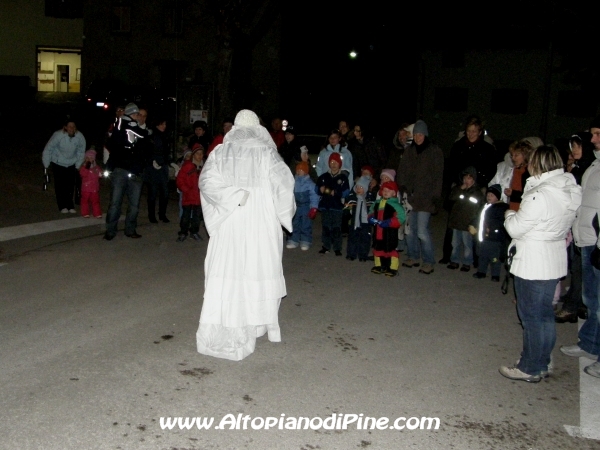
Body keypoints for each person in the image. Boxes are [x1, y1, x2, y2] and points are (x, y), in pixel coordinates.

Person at [196, 109, 295, 361]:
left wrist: (231, 197)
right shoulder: (268, 154)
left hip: (231, 219)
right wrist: (284, 214)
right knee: (256, 265)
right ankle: (255, 320)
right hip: (260, 220)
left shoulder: (220, 152)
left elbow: (206, 182)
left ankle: (232, 317)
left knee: (231, 267)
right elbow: (284, 185)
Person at [499, 145, 581, 382]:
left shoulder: (540, 194)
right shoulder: (568, 188)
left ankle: (530, 367)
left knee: (532, 317)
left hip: (534, 260)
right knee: (544, 316)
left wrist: (508, 215)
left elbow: (515, 227)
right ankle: (540, 360)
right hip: (553, 257)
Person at [561, 118, 600, 378]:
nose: (593, 139)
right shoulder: (594, 165)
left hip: (596, 241)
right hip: (587, 239)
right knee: (592, 299)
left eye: (597, 134)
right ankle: (590, 343)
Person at [555, 132, 595, 323]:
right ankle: (575, 300)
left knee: (580, 270)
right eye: (572, 147)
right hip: (577, 225)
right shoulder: (581, 167)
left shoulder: (588, 169)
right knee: (576, 267)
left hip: (587, 228)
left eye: (577, 146)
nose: (574, 151)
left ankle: (572, 306)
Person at [397, 120, 443, 275]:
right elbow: (402, 171)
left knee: (422, 231)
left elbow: (438, 176)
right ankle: (413, 256)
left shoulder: (434, 151)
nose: (418, 137)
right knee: (410, 230)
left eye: (420, 134)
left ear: (426, 135)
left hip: (426, 197)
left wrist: (436, 197)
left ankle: (429, 261)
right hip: (410, 197)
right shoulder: (409, 151)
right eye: (415, 134)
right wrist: (402, 186)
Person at [103, 102, 148, 240]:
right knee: (115, 203)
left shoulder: (137, 128)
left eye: (140, 115)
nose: (137, 116)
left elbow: (145, 140)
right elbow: (113, 142)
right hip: (120, 170)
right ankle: (110, 230)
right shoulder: (120, 125)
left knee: (134, 205)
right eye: (135, 114)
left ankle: (130, 229)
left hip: (135, 172)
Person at [42, 119, 86, 213]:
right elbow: (49, 148)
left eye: (73, 127)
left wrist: (78, 165)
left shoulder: (79, 137)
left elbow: (81, 151)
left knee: (70, 185)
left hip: (71, 163)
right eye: (69, 126)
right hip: (58, 162)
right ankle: (62, 205)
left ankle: (70, 205)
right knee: (60, 185)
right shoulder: (58, 135)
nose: (71, 129)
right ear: (65, 127)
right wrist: (46, 163)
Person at [446, 166, 485, 272]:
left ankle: (467, 262)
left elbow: (479, 208)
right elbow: (451, 198)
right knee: (455, 243)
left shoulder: (477, 192)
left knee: (467, 244)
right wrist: (460, 189)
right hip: (456, 221)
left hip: (468, 223)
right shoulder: (459, 189)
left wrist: (474, 222)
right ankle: (454, 260)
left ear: (473, 179)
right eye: (464, 178)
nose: (466, 180)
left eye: (468, 178)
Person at [470, 184, 508, 281]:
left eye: (492, 195)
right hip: (483, 237)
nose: (489, 197)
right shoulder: (485, 206)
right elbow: (479, 217)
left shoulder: (501, 208)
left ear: (497, 197)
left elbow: (501, 221)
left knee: (495, 257)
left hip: (495, 238)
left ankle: (495, 275)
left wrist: (492, 227)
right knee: (483, 255)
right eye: (488, 195)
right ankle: (481, 271)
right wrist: (473, 224)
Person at [368, 181, 405, 276]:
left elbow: (401, 217)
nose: (385, 192)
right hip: (378, 231)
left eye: (389, 190)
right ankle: (379, 265)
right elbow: (371, 211)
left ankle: (392, 267)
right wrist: (370, 217)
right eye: (384, 190)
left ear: (394, 193)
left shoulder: (396, 206)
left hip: (390, 232)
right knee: (378, 247)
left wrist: (390, 222)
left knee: (390, 249)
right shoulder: (377, 203)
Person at [316, 152, 350, 256]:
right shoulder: (324, 176)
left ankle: (337, 247)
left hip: (337, 207)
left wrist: (335, 192)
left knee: (336, 228)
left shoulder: (343, 178)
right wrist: (320, 189)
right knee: (326, 226)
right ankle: (326, 246)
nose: (333, 164)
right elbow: (317, 188)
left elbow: (346, 192)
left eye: (336, 162)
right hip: (326, 205)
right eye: (331, 162)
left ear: (339, 164)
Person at [286, 161, 319, 251]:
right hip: (296, 206)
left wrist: (314, 207)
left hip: (306, 206)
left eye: (301, 170)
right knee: (295, 223)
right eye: (298, 170)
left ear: (305, 171)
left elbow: (314, 195)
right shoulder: (293, 182)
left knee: (306, 223)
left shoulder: (310, 184)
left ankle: (305, 240)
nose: (299, 171)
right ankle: (294, 239)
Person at [145, 118, 171, 224]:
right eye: (161, 124)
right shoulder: (151, 136)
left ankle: (162, 214)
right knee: (153, 193)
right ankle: (152, 215)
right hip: (153, 167)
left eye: (164, 124)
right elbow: (147, 151)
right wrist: (152, 161)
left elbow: (166, 152)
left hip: (163, 166)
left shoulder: (165, 136)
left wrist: (170, 162)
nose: (163, 126)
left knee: (165, 192)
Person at [345, 175, 376, 262]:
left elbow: (373, 209)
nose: (358, 189)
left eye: (361, 187)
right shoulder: (353, 198)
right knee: (352, 237)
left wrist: (372, 218)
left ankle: (363, 254)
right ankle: (351, 253)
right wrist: (348, 213)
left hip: (365, 222)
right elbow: (347, 207)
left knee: (365, 238)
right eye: (357, 187)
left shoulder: (369, 198)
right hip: (354, 221)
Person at [176, 146, 203, 242]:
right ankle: (183, 232)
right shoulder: (188, 166)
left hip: (198, 197)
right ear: (193, 155)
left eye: (201, 154)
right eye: (197, 154)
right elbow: (180, 179)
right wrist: (185, 189)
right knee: (186, 216)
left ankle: (194, 232)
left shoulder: (203, 167)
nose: (200, 156)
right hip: (188, 196)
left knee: (196, 217)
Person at [79, 149, 103, 218]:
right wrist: (87, 167)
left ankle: (97, 213)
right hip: (86, 188)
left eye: (91, 158)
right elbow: (83, 174)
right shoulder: (84, 167)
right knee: (85, 201)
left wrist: (100, 174)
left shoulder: (96, 167)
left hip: (94, 188)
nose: (89, 159)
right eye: (87, 158)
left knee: (95, 201)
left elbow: (99, 174)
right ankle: (85, 212)